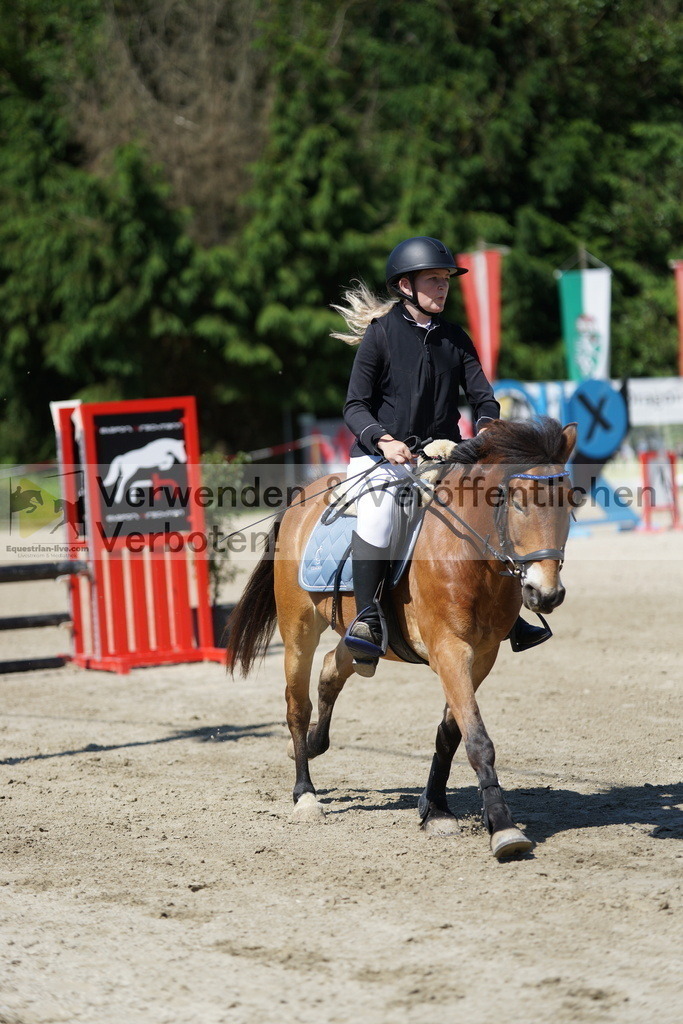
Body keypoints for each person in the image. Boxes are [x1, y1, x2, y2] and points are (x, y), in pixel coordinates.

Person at [333, 236, 550, 675]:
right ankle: (368, 619)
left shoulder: (455, 338)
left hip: (446, 455)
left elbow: (484, 399)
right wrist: (384, 440)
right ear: (406, 286)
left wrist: (488, 427)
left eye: (446, 279)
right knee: (379, 513)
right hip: (382, 456)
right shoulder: (381, 335)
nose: (443, 287)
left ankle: (510, 618)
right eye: (434, 279)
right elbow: (354, 405)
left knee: (492, 508)